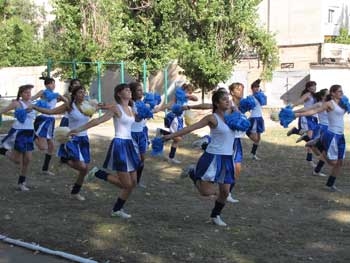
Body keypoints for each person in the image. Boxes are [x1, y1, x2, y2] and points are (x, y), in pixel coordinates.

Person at [163, 89, 235, 226]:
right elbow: (191, 128)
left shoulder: (233, 115)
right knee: (205, 192)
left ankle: (215, 215)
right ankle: (192, 172)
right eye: (224, 99)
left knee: (225, 192)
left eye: (228, 99)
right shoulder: (212, 118)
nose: (228, 101)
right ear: (217, 103)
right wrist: (169, 136)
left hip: (227, 157)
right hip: (213, 157)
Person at [70, 83, 140, 219]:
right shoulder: (116, 108)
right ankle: (115, 208)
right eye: (126, 90)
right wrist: (77, 130)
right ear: (119, 94)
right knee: (127, 184)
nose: (129, 91)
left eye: (129, 90)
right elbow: (98, 121)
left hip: (129, 144)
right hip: (120, 144)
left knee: (133, 183)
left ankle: (101, 177)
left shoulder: (131, 108)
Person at [32, 85, 96, 200]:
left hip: (84, 139)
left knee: (84, 169)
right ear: (74, 95)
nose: (83, 94)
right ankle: (65, 160)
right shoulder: (69, 107)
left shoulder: (87, 105)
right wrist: (35, 107)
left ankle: (75, 192)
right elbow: (50, 112)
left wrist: (99, 106)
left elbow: (93, 113)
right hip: (72, 139)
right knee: (83, 167)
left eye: (84, 92)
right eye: (80, 92)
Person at [294, 84, 347, 191]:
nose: (342, 93)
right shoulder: (329, 104)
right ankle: (319, 146)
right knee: (333, 163)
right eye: (339, 91)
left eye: (342, 91)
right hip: (332, 134)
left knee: (340, 163)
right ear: (333, 93)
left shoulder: (343, 103)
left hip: (341, 135)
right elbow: (313, 111)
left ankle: (330, 184)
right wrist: (295, 115)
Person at [0, 85, 36, 191]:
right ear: (20, 94)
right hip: (19, 132)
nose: (28, 94)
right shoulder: (16, 103)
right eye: (26, 92)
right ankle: (2, 150)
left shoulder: (32, 104)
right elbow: (2, 111)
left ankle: (22, 182)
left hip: (30, 132)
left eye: (29, 92)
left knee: (28, 159)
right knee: (16, 160)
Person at [31, 77, 67, 176]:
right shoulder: (43, 92)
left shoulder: (57, 95)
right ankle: (32, 135)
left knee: (51, 146)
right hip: (42, 118)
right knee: (42, 147)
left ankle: (45, 168)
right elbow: (32, 98)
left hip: (51, 120)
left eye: (54, 83)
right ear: (46, 85)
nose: (53, 85)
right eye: (51, 83)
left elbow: (67, 102)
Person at [160, 83, 198, 164]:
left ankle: (171, 157)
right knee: (177, 138)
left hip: (180, 119)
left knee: (177, 140)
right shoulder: (178, 95)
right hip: (175, 118)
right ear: (187, 89)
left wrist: (187, 95)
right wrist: (161, 108)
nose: (190, 93)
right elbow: (171, 103)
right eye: (190, 91)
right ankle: (161, 134)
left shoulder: (185, 96)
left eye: (190, 92)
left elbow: (196, 99)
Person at [287, 81, 318, 168]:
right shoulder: (307, 94)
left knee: (311, 139)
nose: (314, 88)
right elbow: (299, 102)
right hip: (306, 117)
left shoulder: (314, 95)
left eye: (315, 86)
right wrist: (291, 107)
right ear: (308, 88)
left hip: (313, 118)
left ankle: (295, 130)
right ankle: (310, 160)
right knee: (310, 139)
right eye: (312, 86)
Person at [129, 81, 150, 188]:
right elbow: (137, 119)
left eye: (142, 90)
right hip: (131, 134)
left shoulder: (144, 104)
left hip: (141, 133)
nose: (141, 92)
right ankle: (131, 179)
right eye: (138, 90)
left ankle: (137, 180)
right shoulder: (129, 105)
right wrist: (143, 112)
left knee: (142, 158)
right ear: (132, 92)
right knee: (134, 159)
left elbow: (155, 110)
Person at [246, 79, 266, 160]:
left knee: (258, 139)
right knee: (255, 139)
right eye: (255, 87)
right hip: (254, 118)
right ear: (252, 88)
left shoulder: (260, 95)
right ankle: (246, 131)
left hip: (260, 118)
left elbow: (263, 103)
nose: (257, 88)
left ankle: (253, 154)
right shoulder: (250, 97)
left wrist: (260, 94)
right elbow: (247, 107)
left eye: (258, 87)